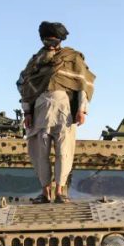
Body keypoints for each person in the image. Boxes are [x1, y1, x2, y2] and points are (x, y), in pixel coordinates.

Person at [17, 21, 95, 203]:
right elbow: (26, 87)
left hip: (63, 110)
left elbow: (82, 85)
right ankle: (45, 193)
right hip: (40, 111)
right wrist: (27, 113)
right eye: (47, 40)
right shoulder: (36, 61)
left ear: (60, 40)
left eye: (53, 40)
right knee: (40, 154)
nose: (50, 44)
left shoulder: (72, 58)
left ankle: (59, 192)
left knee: (64, 152)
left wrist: (82, 110)